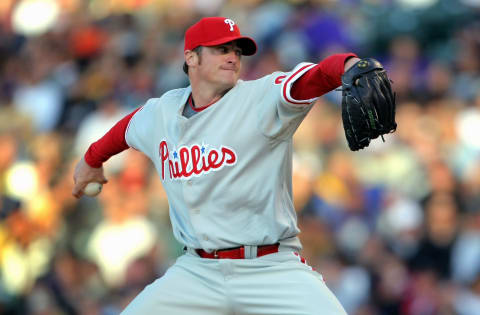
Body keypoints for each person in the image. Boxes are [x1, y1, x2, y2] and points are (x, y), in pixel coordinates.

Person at [72, 16, 362, 315]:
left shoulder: (260, 97)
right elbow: (126, 129)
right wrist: (91, 160)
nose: (232, 57)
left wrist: (348, 65)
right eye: (221, 49)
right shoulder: (162, 111)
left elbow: (310, 79)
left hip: (270, 268)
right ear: (191, 57)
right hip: (197, 271)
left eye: (237, 51)